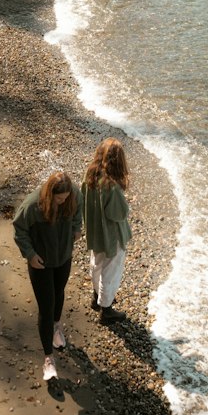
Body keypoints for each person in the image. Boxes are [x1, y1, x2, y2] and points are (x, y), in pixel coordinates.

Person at [13, 170, 82, 381]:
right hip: (40, 263)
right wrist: (30, 254)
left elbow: (78, 211)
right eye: (59, 199)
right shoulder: (33, 206)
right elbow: (19, 229)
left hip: (63, 257)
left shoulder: (74, 195)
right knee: (46, 305)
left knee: (59, 292)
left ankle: (56, 326)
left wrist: (77, 228)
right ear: (49, 194)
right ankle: (48, 359)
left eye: (65, 198)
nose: (63, 202)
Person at [81, 138, 132, 323]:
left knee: (97, 263)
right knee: (111, 271)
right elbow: (119, 214)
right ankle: (106, 309)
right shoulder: (111, 185)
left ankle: (97, 297)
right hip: (111, 236)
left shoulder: (90, 175)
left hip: (95, 231)